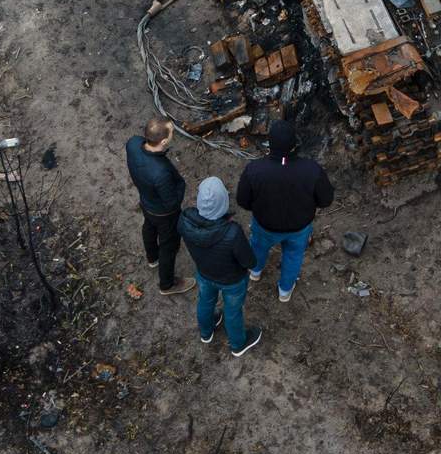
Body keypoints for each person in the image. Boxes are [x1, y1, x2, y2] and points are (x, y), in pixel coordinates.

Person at [237, 120, 334, 303]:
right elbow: (326, 200)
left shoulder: (254, 170)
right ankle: (285, 291)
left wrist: (258, 209)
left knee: (258, 246)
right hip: (299, 228)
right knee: (293, 256)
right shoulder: (311, 170)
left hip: (265, 224)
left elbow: (243, 200)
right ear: (294, 145)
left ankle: (255, 272)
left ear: (270, 144)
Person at [178, 177, 262, 358]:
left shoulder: (185, 220)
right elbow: (249, 261)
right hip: (232, 281)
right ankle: (238, 344)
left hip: (204, 273)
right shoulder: (232, 232)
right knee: (232, 311)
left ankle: (206, 332)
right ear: (224, 202)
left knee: (205, 301)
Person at [125, 118, 194, 296]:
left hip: (146, 202)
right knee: (168, 246)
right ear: (163, 141)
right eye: (171, 132)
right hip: (164, 214)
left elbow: (137, 142)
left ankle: (152, 257)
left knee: (148, 227)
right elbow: (171, 202)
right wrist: (181, 186)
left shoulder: (133, 144)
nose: (173, 134)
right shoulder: (160, 172)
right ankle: (167, 284)